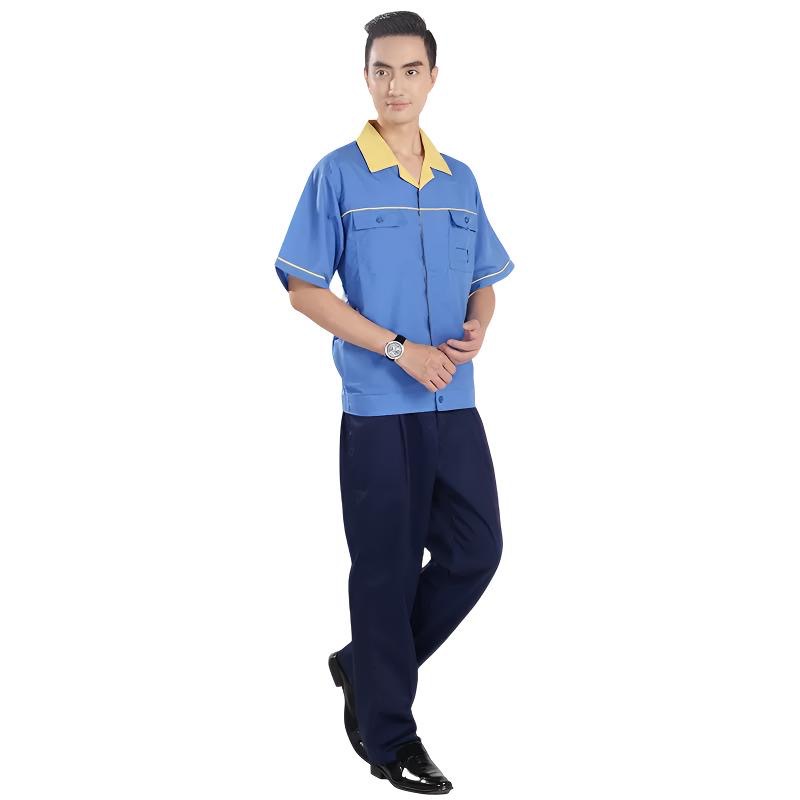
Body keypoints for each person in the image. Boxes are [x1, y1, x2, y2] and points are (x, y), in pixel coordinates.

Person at [274, 11, 514, 794]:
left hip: (455, 402)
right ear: (366, 76)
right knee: (385, 570)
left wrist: (479, 325)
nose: (396, 85)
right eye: (382, 70)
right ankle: (388, 737)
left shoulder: (459, 180)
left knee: (477, 550)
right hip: (379, 406)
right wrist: (397, 349)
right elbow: (303, 287)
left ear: (433, 77)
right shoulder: (337, 175)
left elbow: (484, 280)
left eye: (411, 70)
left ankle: (363, 665)